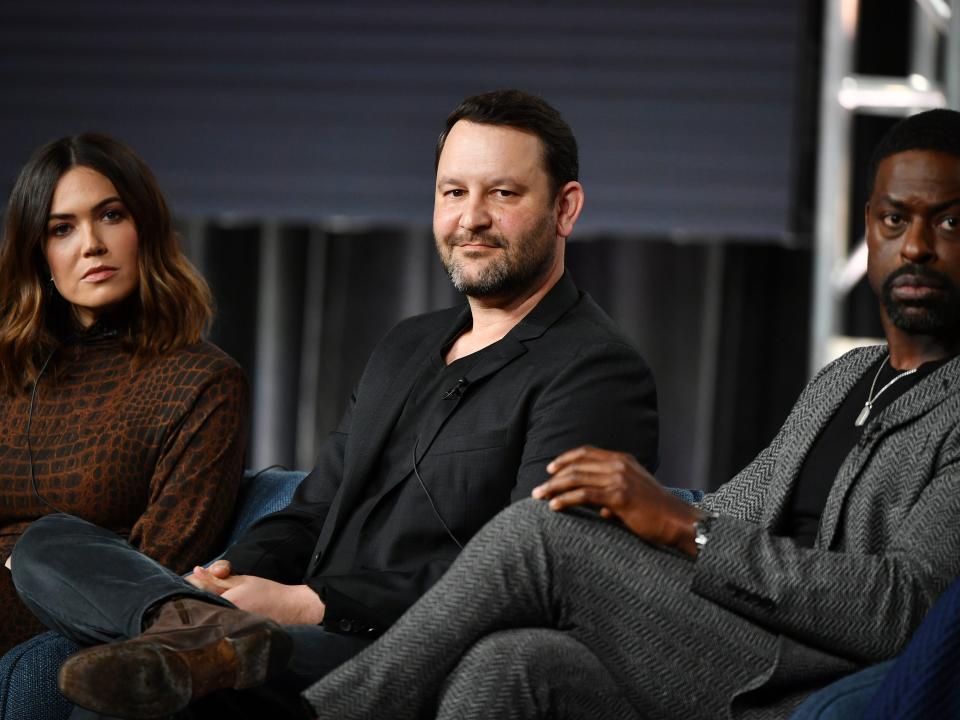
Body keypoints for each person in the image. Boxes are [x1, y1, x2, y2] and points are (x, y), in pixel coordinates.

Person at [12, 89, 659, 718]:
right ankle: (188, 622)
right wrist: (227, 576)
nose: (471, 218)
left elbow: (528, 580)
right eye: (453, 192)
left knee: (144, 691)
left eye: (503, 193)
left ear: (565, 209)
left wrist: (310, 603)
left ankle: (200, 639)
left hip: (399, 651)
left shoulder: (594, 370)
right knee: (49, 541)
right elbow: (315, 509)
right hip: (286, 630)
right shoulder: (407, 344)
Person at [298, 108, 960, 720]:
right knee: (511, 662)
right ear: (869, 228)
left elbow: (904, 610)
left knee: (534, 536)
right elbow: (738, 510)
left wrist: (684, 528)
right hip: (724, 640)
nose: (917, 246)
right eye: (894, 220)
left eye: (952, 221)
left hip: (806, 675)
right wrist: (628, 522)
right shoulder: (847, 377)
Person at [0, 134, 249, 655]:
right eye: (61, 229)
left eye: (110, 216)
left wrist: (23, 558)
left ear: (145, 228)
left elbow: (149, 579)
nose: (91, 243)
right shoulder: (9, 367)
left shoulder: (201, 381)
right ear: (39, 252)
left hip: (74, 632)